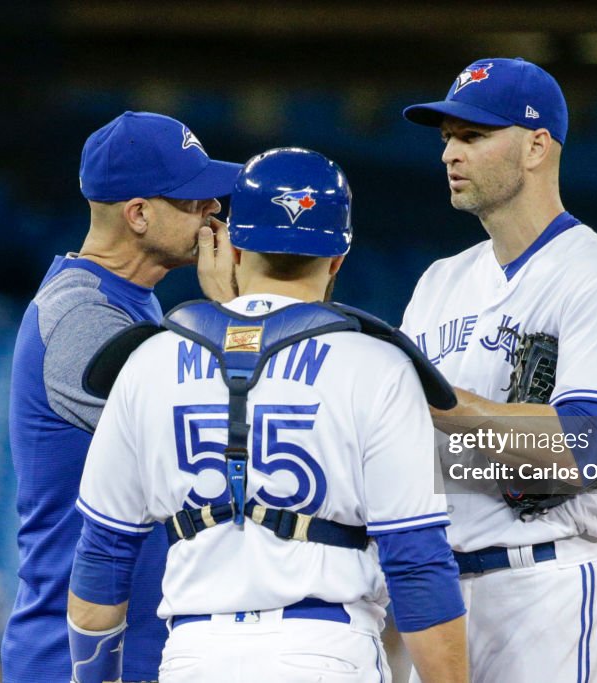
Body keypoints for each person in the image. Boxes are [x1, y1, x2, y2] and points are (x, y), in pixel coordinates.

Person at [66, 147, 468, 682]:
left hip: (193, 655)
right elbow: (417, 564)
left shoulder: (147, 361)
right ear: (337, 260)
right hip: (324, 650)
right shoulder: (378, 366)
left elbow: (102, 564)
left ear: (233, 248)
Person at [400, 58, 597, 682]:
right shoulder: (439, 281)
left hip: (543, 584)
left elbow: (589, 449)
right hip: (436, 596)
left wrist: (447, 408)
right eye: (447, 140)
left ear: (537, 146)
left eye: (473, 136)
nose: (450, 156)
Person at [2, 111, 242, 683]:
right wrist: (237, 314)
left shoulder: (133, 300)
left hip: (130, 644)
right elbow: (209, 435)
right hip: (75, 656)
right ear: (138, 214)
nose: (215, 213)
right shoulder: (79, 316)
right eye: (195, 201)